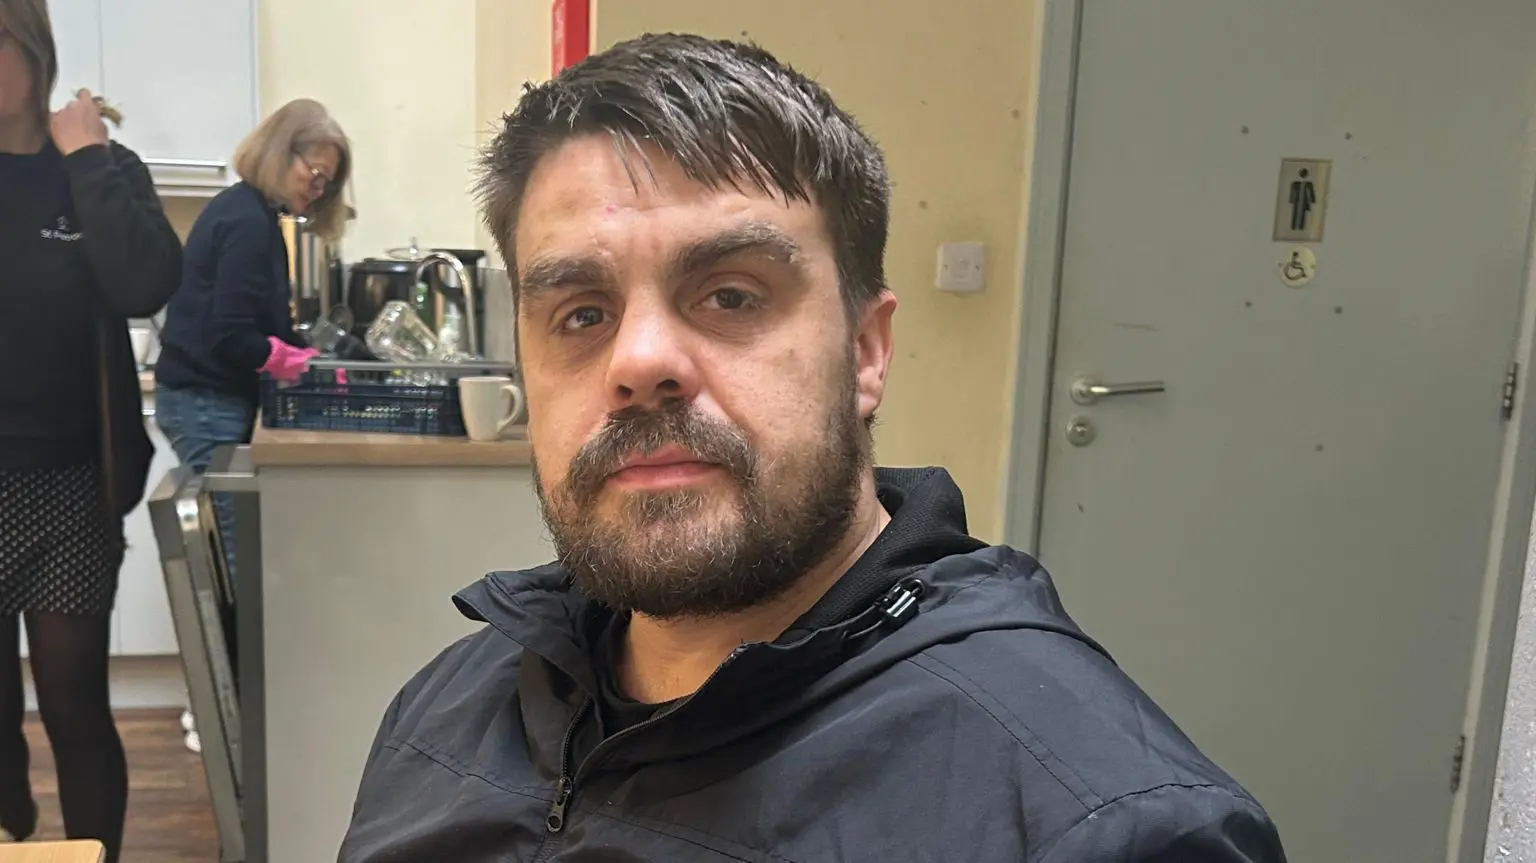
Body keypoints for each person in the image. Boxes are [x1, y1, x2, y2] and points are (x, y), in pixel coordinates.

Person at [340, 34, 1288, 862]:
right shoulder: (452, 703)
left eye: (731, 295)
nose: (638, 361)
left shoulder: (1095, 824)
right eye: (581, 313)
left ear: (866, 352)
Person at [0, 0, 183, 858]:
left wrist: (87, 158)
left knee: (75, 708)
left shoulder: (98, 165)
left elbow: (144, 282)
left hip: (72, 484)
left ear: (32, 47)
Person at [155, 98, 350, 560]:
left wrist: (308, 358)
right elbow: (231, 334)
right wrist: (290, 361)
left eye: (327, 182)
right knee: (237, 555)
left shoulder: (253, 214)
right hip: (204, 402)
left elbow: (260, 322)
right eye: (316, 175)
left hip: (207, 399)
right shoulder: (246, 222)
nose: (319, 190)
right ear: (282, 153)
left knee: (236, 551)